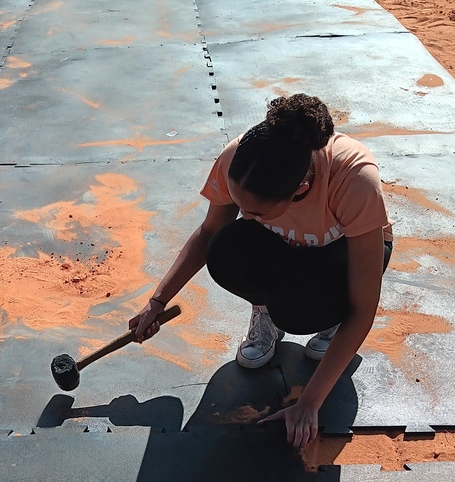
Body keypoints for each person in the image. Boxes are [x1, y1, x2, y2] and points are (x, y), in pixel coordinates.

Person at [130, 94, 393, 452]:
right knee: (225, 248)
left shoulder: (354, 179)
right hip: (291, 247)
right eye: (240, 206)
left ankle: (332, 321)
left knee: (298, 311)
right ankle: (266, 312)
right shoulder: (240, 158)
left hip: (343, 256)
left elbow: (366, 308)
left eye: (258, 213)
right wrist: (157, 300)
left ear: (300, 189)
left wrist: (309, 404)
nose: (246, 219)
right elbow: (209, 232)